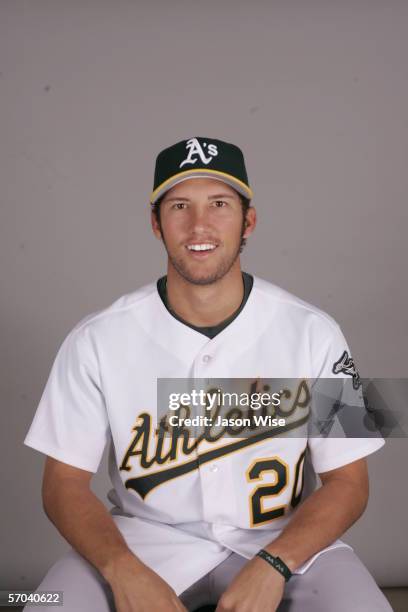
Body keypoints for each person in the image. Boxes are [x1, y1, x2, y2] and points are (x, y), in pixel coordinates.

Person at [23, 137, 392, 611]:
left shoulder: (316, 331)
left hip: (288, 546)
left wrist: (275, 564)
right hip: (141, 543)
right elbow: (62, 484)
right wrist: (122, 568)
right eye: (180, 206)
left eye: (219, 204)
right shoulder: (95, 338)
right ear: (155, 223)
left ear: (248, 222)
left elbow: (350, 483)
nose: (199, 225)